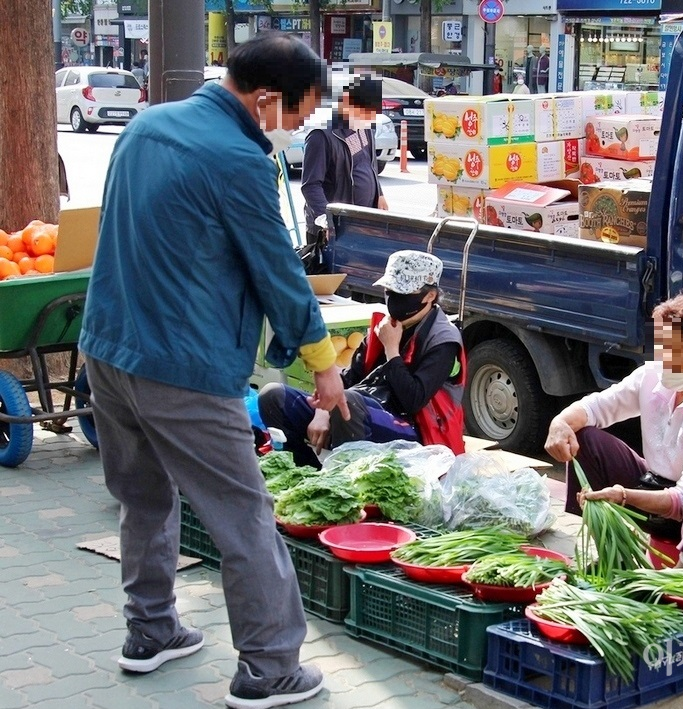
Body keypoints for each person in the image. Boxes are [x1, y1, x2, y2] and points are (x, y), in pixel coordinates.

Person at [79, 33, 349, 709]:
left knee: (143, 498)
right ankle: (269, 669)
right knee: (243, 517)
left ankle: (150, 631)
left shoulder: (144, 127)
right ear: (266, 100)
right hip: (184, 367)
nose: (296, 130)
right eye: (296, 115)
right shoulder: (237, 160)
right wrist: (322, 363)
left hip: (107, 348)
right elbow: (279, 272)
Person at [544, 291, 683, 571]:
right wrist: (560, 422)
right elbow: (598, 407)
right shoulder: (652, 375)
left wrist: (623, 495)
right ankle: (613, 557)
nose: (667, 360)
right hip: (661, 492)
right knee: (584, 437)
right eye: (664, 347)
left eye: (680, 353)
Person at [259, 250, 466, 465]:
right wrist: (322, 410)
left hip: (414, 429)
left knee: (348, 404)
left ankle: (345, 478)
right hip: (365, 407)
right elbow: (349, 377)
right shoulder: (383, 326)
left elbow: (413, 400)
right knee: (274, 396)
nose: (393, 298)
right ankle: (304, 468)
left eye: (402, 292)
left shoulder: (444, 340)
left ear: (429, 296)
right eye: (389, 290)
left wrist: (391, 350)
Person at [301, 74, 388, 247]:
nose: (372, 115)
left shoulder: (364, 128)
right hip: (333, 229)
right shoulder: (321, 136)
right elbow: (310, 186)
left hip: (361, 222)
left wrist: (379, 193)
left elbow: (368, 164)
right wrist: (328, 221)